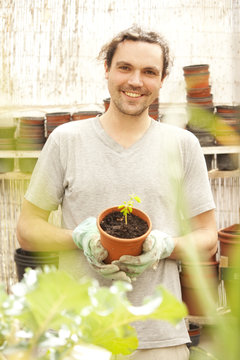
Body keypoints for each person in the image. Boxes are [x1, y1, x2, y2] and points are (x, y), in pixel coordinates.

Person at [17, 26, 218, 359]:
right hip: (78, 335)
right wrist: (79, 238)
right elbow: (27, 229)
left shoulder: (182, 145)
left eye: (149, 72)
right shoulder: (67, 140)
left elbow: (208, 237)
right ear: (107, 70)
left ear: (162, 79)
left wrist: (165, 246)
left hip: (159, 339)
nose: (136, 81)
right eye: (125, 67)